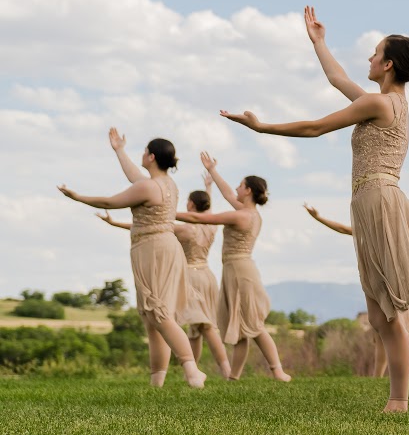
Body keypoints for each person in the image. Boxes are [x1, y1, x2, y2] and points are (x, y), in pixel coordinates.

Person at [220, 6, 409, 414]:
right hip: (369, 205)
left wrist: (262, 127)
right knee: (381, 315)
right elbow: (338, 79)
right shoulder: (380, 101)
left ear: (387, 64)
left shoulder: (382, 105)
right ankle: (398, 401)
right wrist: (319, 42)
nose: (368, 58)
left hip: (382, 201)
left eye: (374, 53)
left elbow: (316, 127)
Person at [59, 129, 206, 388]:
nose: (142, 155)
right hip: (158, 247)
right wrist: (119, 150)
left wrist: (77, 197)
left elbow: (110, 202)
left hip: (153, 249)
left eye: (144, 151)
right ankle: (157, 381)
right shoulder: (165, 184)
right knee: (152, 317)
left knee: (158, 313)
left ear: (151, 156)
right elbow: (134, 176)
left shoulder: (148, 186)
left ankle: (192, 370)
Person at [102, 168, 231, 376]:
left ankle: (198, 369)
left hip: (191, 276)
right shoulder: (211, 226)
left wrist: (114, 223)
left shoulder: (185, 229)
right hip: (207, 275)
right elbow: (207, 211)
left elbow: (153, 224)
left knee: (201, 326)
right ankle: (210, 370)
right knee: (201, 327)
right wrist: (208, 188)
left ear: (191, 205)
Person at [175, 154, 290, 382]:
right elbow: (228, 194)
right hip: (234, 270)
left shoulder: (242, 216)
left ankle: (278, 371)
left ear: (248, 191)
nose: (236, 188)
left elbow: (201, 219)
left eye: (240, 185)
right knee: (241, 328)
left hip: (240, 271)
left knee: (254, 325)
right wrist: (212, 171)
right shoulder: (247, 212)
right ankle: (234, 377)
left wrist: (165, 212)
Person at [304, 204, 409, 378]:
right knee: (381, 330)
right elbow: (343, 229)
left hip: (393, 284)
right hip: (377, 284)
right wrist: (318, 217)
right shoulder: (370, 229)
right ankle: (378, 376)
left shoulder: (393, 231)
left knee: (397, 328)